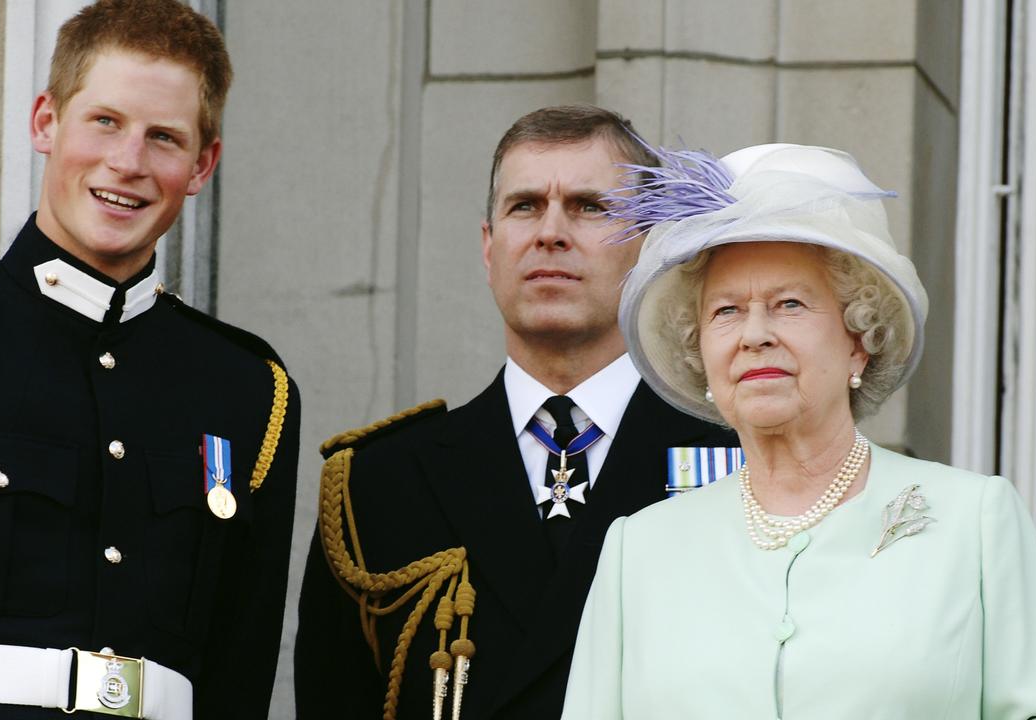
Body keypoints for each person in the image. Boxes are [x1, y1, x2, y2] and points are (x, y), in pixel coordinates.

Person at [0, 1, 299, 718]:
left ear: (202, 165)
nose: (127, 163)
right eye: (105, 121)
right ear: (45, 122)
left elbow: (239, 669)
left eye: (164, 137)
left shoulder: (248, 390)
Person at [561, 142, 1036, 718]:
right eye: (726, 311)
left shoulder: (975, 520)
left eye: (789, 304)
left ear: (859, 341)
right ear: (701, 353)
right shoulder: (639, 550)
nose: (754, 334)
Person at [293, 105, 736, 720]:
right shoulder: (377, 483)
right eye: (524, 206)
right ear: (488, 247)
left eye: (589, 206)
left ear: (649, 248)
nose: (550, 232)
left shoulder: (738, 463)